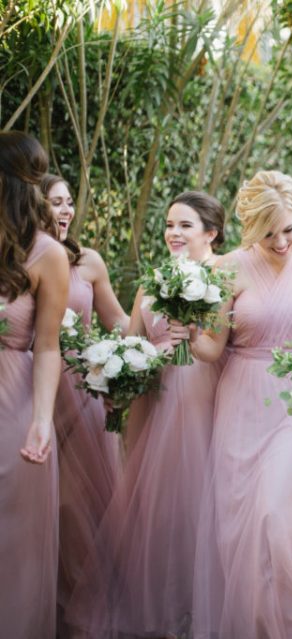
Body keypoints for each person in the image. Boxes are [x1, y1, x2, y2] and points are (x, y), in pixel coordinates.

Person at [187, 171, 292, 638]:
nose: (281, 242)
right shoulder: (228, 269)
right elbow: (212, 348)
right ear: (250, 228)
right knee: (242, 526)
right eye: (268, 234)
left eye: (288, 230)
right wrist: (189, 334)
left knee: (278, 514)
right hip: (242, 402)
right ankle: (260, 626)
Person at [66, 191, 227, 637]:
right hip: (154, 403)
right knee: (156, 510)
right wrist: (116, 375)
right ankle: (162, 610)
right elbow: (132, 342)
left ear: (211, 233)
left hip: (202, 400)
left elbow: (225, 344)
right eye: (170, 224)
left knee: (199, 503)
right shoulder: (151, 282)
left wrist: (192, 336)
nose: (173, 233)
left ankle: (202, 610)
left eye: (185, 225)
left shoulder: (225, 277)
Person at [40, 173, 127, 634]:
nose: (66, 210)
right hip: (33, 391)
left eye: (69, 201)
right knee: (40, 508)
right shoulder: (18, 261)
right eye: (55, 202)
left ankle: (84, 617)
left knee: (80, 511)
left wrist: (153, 339)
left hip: (83, 395)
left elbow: (120, 323)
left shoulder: (88, 262)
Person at [0, 131, 70, 638]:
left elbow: (47, 345)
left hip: (12, 402)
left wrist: (42, 420)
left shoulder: (47, 254)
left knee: (12, 542)